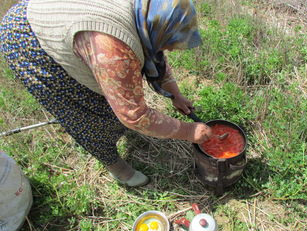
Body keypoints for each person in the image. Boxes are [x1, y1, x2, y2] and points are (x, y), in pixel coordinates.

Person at [0, 0, 213, 187]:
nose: (174, 49)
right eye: (172, 42)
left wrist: (175, 94)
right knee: (84, 113)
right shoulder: (114, 48)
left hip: (67, 18)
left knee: (113, 97)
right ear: (160, 27)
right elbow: (135, 115)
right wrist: (189, 131)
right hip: (30, 38)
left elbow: (156, 54)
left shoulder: (147, 14)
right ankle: (120, 170)